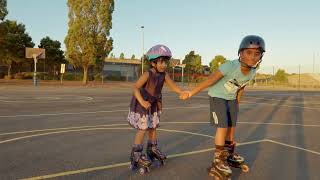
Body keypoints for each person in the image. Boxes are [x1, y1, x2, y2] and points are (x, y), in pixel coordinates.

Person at [181, 35, 266, 178]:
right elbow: (210, 81)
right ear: (240, 53)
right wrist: (190, 93)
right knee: (223, 126)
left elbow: (241, 87)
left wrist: (237, 103)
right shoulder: (229, 66)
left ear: (261, 56)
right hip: (217, 96)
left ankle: (228, 153)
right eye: (248, 52)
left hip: (232, 99)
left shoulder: (252, 72)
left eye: (257, 54)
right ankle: (218, 160)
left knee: (232, 126)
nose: (252, 57)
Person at [128, 44, 188, 174]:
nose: (163, 65)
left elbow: (173, 86)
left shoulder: (164, 75)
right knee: (143, 129)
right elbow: (135, 87)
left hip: (154, 104)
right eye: (161, 62)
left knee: (153, 126)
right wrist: (143, 102)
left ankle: (152, 149)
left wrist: (182, 92)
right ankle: (136, 154)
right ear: (153, 62)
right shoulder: (147, 74)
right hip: (143, 104)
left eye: (165, 62)